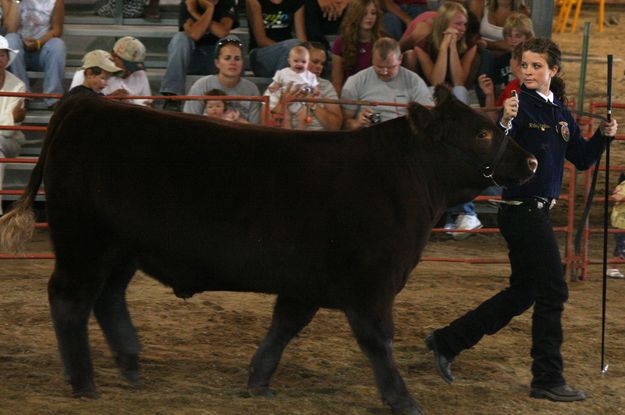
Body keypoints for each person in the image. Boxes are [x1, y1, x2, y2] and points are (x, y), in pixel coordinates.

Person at [425, 37, 619, 402]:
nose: (527, 72)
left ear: (552, 71)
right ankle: (547, 377)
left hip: (536, 213)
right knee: (553, 290)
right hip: (523, 211)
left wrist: (602, 137)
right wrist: (507, 118)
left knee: (524, 292)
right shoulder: (518, 106)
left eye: (536, 66)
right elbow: (500, 144)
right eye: (524, 66)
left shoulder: (560, 113)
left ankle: (448, 340)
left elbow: (582, 158)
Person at [159, 0, 237, 110]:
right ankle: (172, 96)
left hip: (216, 60)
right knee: (180, 38)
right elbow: (194, 34)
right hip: (191, 58)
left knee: (232, 40)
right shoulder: (188, 2)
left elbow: (222, 32)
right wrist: (210, 10)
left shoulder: (226, 2)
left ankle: (236, 96)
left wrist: (198, 12)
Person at [340, 37, 432, 129]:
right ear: (372, 59)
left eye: (390, 67)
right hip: (369, 134)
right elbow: (343, 123)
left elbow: (427, 117)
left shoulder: (414, 81)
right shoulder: (355, 81)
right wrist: (356, 123)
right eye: (379, 67)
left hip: (403, 133)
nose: (384, 72)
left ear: (400, 59)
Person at [183, 35, 261, 124]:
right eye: (227, 58)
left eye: (237, 58)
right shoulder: (202, 85)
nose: (233, 63)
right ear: (217, 63)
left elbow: (255, 127)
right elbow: (189, 122)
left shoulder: (252, 89)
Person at [6, 0, 66, 109]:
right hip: (19, 52)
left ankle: (53, 98)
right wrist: (17, 2)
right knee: (11, 39)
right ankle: (22, 95)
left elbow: (57, 30)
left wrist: (38, 43)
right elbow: (10, 29)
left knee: (58, 45)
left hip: (41, 50)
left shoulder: (55, 1)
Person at [275, 41, 342, 130]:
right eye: (315, 62)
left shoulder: (326, 85)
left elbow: (336, 126)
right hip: (285, 137)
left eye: (322, 64)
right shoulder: (280, 81)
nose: (319, 67)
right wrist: (282, 104)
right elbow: (265, 122)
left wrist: (313, 104)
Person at [70, 36, 152, 107]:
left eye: (134, 68)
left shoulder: (140, 74)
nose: (130, 72)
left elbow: (149, 104)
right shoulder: (86, 73)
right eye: (128, 66)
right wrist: (109, 100)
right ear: (114, 56)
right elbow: (74, 106)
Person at [331, 0, 384, 95]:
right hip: (350, 95)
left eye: (373, 13)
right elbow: (337, 82)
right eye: (364, 13)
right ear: (355, 15)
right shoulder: (340, 43)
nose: (370, 17)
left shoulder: (383, 41)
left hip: (376, 94)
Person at [246, 0, 306, 78]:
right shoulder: (254, 1)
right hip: (261, 54)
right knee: (292, 48)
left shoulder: (297, 2)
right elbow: (261, 40)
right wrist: (288, 51)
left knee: (300, 49)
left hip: (290, 52)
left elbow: (301, 38)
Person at [0, 35, 24, 216]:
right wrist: (9, 117)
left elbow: (9, 132)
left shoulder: (18, 85)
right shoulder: (17, 86)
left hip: (10, 140)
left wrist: (8, 121)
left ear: (7, 58)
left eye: (2, 55)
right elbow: (10, 120)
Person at [266, 45, 318, 113]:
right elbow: (278, 83)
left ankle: (300, 123)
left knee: (302, 116)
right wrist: (274, 87)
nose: (299, 64)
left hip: (301, 102)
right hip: (285, 99)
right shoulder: (283, 72)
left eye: (303, 62)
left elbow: (314, 86)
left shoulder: (310, 75)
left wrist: (316, 91)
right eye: (296, 61)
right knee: (286, 117)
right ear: (289, 61)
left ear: (308, 63)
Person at [608, 173, 625, 279]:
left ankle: (613, 268)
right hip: (622, 222)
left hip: (620, 221)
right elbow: (617, 197)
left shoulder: (621, 185)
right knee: (621, 247)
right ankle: (613, 268)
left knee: (621, 246)